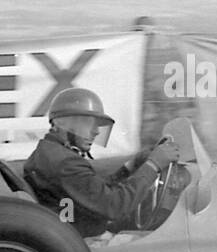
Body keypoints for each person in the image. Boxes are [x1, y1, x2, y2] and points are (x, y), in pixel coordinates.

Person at [23, 87, 180, 237]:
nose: (96, 131)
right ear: (63, 123)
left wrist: (132, 165)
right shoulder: (65, 163)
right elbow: (115, 206)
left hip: (72, 234)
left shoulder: (49, 151)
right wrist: (153, 165)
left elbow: (92, 190)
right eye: (88, 123)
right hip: (86, 242)